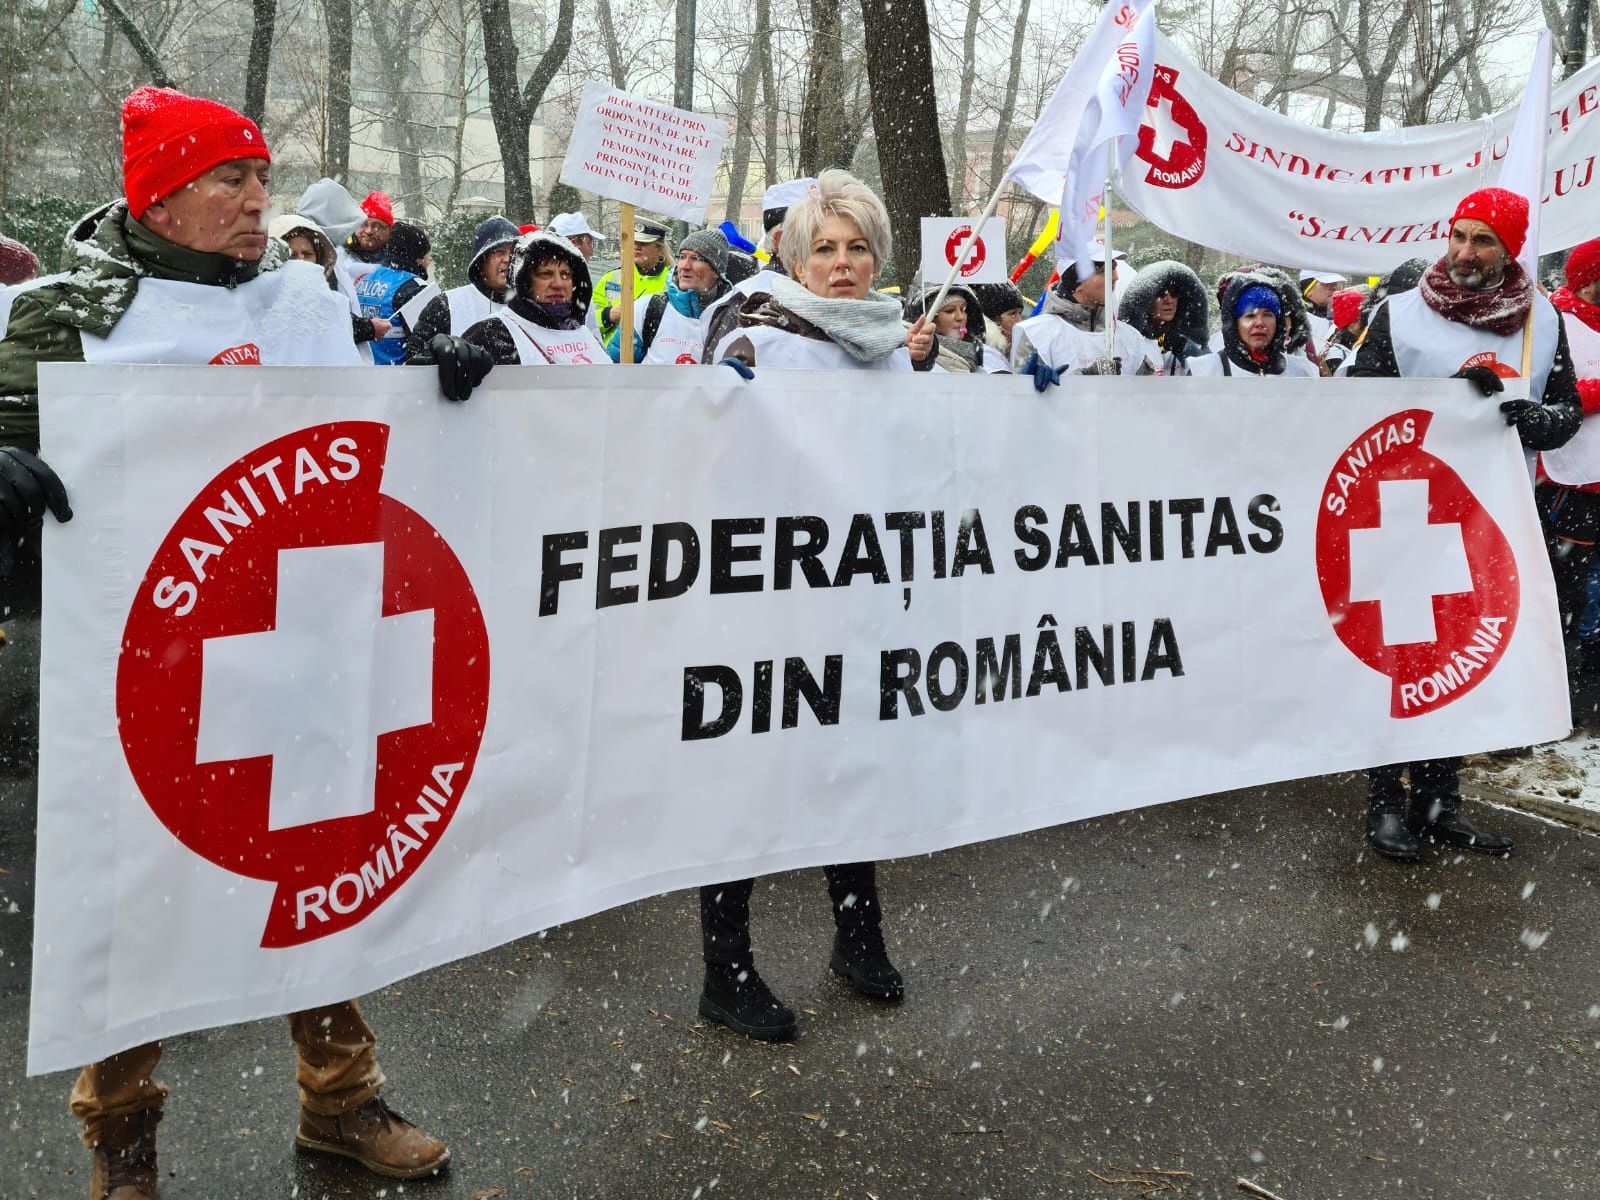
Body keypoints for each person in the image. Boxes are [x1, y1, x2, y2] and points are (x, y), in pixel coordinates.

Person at [0, 85, 481, 1199]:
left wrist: (448, 391)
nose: (259, 201)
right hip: (144, 667)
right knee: (134, 901)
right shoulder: (67, 314)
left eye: (262, 179)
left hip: (302, 649)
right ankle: (121, 1145)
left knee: (314, 872)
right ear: (160, 195)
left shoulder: (301, 304)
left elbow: (365, 454)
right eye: (230, 180)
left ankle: (341, 1101)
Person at [703, 169, 930, 1043]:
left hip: (855, 593)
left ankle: (857, 936)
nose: (842, 264)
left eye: (858, 247)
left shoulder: (889, 344)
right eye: (824, 248)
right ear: (795, 256)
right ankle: (725, 970)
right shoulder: (756, 331)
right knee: (747, 778)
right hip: (762, 599)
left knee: (851, 762)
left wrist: (1010, 404)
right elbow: (704, 433)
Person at [1350, 186, 1581, 861]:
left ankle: (1441, 800)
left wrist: (1544, 422)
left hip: (1493, 520)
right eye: (1459, 235)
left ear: (1509, 249)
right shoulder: (1399, 314)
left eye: (1483, 240)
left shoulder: (1543, 320)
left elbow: (1563, 406)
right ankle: (1385, 803)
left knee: (1462, 663)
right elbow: (1357, 406)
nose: (1465, 252)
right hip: (1404, 518)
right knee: (1403, 660)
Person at [1537, 237, 1600, 671]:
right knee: (1572, 582)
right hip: (1571, 479)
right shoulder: (1554, 323)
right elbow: (1549, 398)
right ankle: (1566, 672)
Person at [700, 177, 816, 359]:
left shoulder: (841, 296)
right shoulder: (743, 305)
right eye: (815, 232)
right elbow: (716, 384)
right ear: (781, 240)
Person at [461, 228, 611, 365]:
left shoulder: (583, 333)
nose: (558, 284)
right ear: (525, 282)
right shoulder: (492, 334)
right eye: (546, 274)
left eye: (565, 274)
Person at [1009, 248, 1156, 379]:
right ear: (1077, 284)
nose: (1115, 277)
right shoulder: (1034, 334)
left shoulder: (1130, 336)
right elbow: (1024, 401)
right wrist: (1083, 378)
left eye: (1114, 269)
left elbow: (1151, 398)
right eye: (1104, 271)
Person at [406, 215, 519, 364]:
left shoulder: (538, 307)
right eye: (499, 252)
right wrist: (436, 354)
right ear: (481, 260)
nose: (507, 259)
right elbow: (415, 363)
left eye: (514, 252)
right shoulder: (446, 305)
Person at [609, 228, 732, 363]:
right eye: (682, 257)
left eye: (696, 258)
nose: (684, 266)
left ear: (716, 271)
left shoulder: (735, 317)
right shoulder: (647, 309)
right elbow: (613, 369)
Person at [1186, 275, 1320, 378]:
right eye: (1250, 316)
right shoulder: (1204, 371)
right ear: (1234, 323)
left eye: (1268, 315)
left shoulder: (1302, 371)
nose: (1260, 323)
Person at [354, 219, 431, 365]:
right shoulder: (415, 288)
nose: (429, 259)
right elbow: (428, 344)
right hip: (396, 378)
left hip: (362, 372)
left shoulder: (367, 278)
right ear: (418, 256)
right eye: (427, 254)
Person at [1116, 260, 1209, 375]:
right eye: (1161, 293)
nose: (1169, 300)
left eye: (1174, 293)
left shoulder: (1187, 339)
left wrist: (1184, 348)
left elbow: (1211, 374)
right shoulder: (1131, 343)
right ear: (1145, 298)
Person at [591, 217, 671, 346]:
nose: (637, 248)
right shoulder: (612, 277)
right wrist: (608, 315)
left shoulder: (672, 282)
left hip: (650, 359)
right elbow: (587, 320)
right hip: (612, 358)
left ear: (659, 249)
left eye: (643, 243)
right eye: (634, 242)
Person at [900, 283, 1007, 372]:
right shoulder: (910, 359)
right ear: (930, 319)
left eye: (963, 309)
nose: (961, 317)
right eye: (949, 311)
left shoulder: (986, 358)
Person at [970, 281, 1026, 362]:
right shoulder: (986, 356)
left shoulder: (1013, 349)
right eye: (1013, 313)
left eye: (1020, 313)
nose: (1019, 320)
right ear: (994, 319)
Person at [351, 190, 393, 263]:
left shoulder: (400, 261)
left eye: (377, 226)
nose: (368, 231)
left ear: (388, 230)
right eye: (363, 224)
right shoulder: (343, 255)